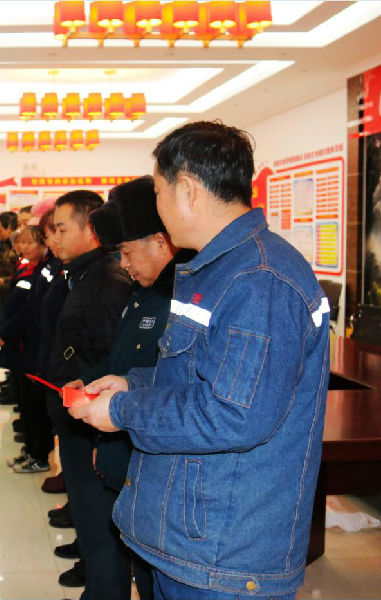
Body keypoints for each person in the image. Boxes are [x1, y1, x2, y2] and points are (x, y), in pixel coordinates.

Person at [71, 121, 331, 600]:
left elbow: (233, 414)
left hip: (224, 553)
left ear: (188, 190)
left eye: (158, 192)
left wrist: (123, 411)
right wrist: (133, 385)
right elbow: (199, 372)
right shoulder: (220, 268)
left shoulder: (258, 280)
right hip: (196, 536)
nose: (157, 207)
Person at [63, 176, 195, 600]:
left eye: (127, 252)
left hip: (157, 464)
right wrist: (95, 384)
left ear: (161, 243)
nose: (123, 264)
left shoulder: (181, 302)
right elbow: (125, 363)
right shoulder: (142, 295)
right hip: (126, 451)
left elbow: (178, 387)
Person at [46, 190, 135, 598]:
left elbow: (109, 357)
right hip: (76, 417)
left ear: (91, 231)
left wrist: (100, 435)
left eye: (62, 229)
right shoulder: (82, 275)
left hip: (92, 422)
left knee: (98, 521)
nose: (55, 238)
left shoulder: (107, 283)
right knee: (86, 513)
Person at [0, 225, 49, 472]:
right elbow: (11, 304)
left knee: (34, 404)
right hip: (17, 344)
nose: (23, 247)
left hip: (27, 344)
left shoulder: (42, 272)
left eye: (30, 242)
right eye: (21, 242)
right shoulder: (25, 268)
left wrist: (6, 330)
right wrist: (0, 328)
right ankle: (30, 449)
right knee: (24, 401)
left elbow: (29, 311)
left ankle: (38, 454)